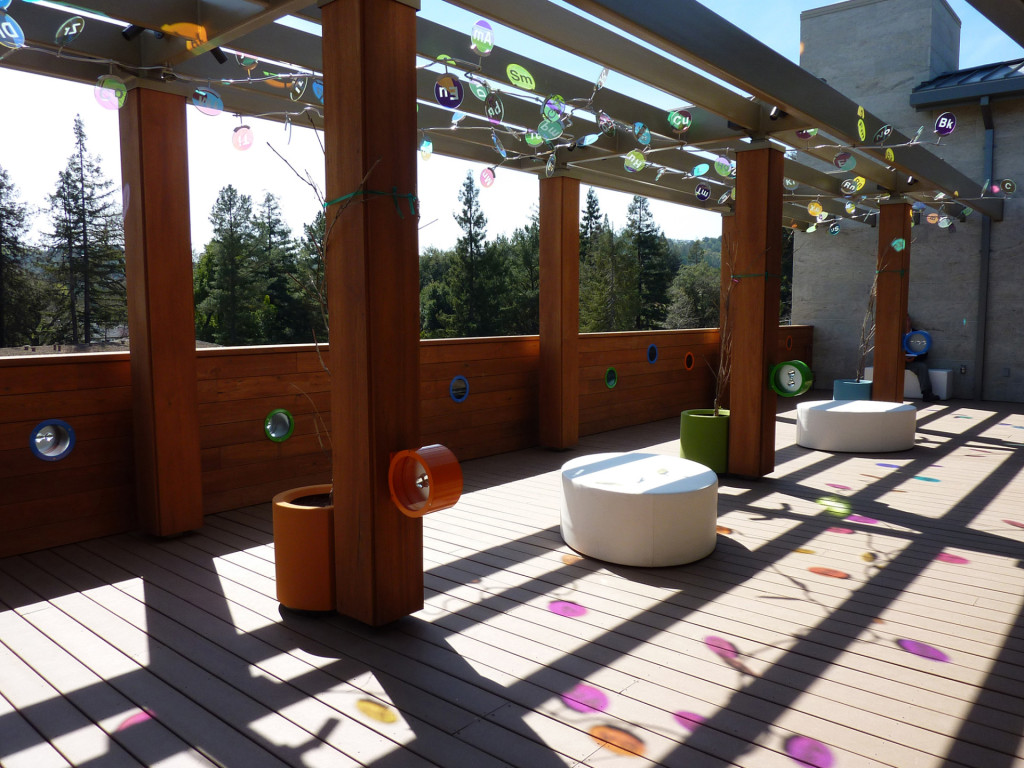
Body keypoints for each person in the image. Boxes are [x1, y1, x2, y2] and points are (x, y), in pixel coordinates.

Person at [905, 314, 938, 401]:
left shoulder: (918, 335)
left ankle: (927, 393)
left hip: (912, 362)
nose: (906, 322)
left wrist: (914, 358)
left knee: (922, 366)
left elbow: (924, 353)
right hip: (897, 362)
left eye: (907, 320)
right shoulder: (895, 334)